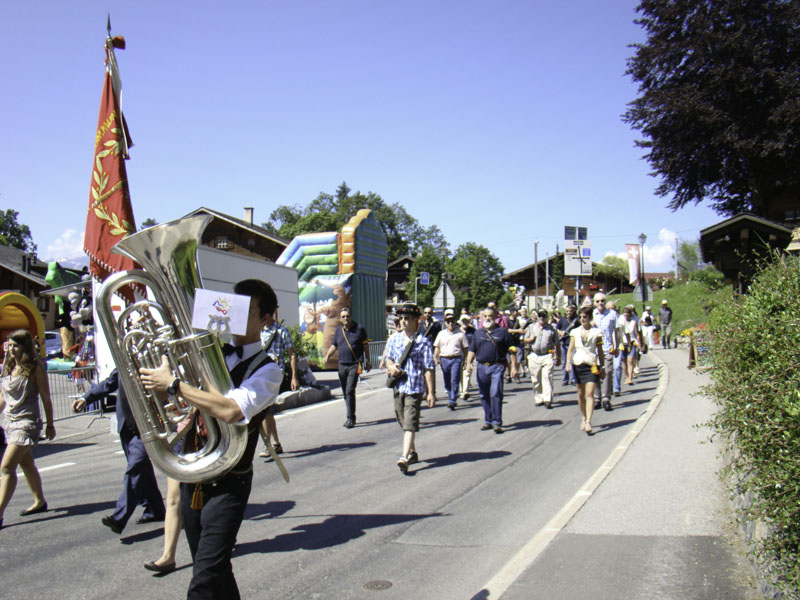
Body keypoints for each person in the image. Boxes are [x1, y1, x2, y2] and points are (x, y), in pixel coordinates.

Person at [139, 278, 283, 600]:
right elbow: (178, 402)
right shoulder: (207, 354)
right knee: (215, 571)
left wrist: (175, 385)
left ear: (266, 319)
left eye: (247, 309)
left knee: (204, 580)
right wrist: (158, 384)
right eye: (234, 305)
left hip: (229, 481)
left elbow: (232, 410)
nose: (235, 313)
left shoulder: (269, 370)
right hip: (195, 476)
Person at [73, 370, 166, 535]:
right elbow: (109, 383)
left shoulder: (153, 364)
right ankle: (155, 509)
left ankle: (119, 517)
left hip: (146, 426)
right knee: (142, 471)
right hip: (126, 427)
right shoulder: (123, 362)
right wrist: (85, 399)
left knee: (135, 468)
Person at [0, 330, 56, 531]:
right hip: (10, 423)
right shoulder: (8, 367)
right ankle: (39, 501)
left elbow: (46, 398)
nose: (11, 349)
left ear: (25, 347)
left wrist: (50, 424)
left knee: (6, 467)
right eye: (9, 345)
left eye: (15, 345)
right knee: (27, 464)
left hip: (27, 423)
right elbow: (3, 398)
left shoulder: (35, 369)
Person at [384, 303, 435, 474]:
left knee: (409, 423)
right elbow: (389, 358)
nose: (403, 321)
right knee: (402, 420)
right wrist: (391, 367)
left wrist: (430, 392)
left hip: (415, 388)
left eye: (407, 318)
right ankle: (412, 452)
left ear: (415, 320)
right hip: (399, 387)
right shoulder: (394, 339)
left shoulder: (423, 342)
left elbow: (428, 368)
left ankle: (404, 457)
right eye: (402, 318)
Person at [464, 307, 514, 433]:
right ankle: (488, 420)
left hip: (497, 366)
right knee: (483, 395)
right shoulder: (478, 333)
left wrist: (513, 367)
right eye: (485, 316)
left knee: (495, 393)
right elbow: (472, 349)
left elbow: (512, 349)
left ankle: (497, 422)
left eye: (490, 316)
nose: (487, 318)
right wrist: (468, 363)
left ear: (496, 317)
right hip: (481, 367)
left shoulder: (503, 332)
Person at [258, 314, 299, 456]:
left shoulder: (281, 331)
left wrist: (294, 377)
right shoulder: (258, 331)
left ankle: (267, 445)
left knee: (264, 409)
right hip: (260, 373)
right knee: (267, 409)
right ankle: (276, 444)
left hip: (274, 374)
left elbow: (292, 354)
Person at [323, 307, 371, 428]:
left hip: (354, 364)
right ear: (340, 319)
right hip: (342, 365)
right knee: (345, 392)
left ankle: (350, 418)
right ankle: (350, 415)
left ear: (351, 317)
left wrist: (368, 361)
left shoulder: (359, 329)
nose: (346, 318)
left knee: (350, 390)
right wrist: (327, 355)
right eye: (343, 317)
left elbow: (365, 346)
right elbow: (334, 345)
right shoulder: (339, 331)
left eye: (347, 316)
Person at [566, 306, 605, 435]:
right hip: (578, 364)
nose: (582, 319)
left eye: (585, 317)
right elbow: (571, 349)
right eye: (580, 317)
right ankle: (583, 417)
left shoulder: (597, 332)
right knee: (580, 393)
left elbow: (600, 351)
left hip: (592, 364)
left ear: (590, 318)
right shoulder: (574, 332)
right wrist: (568, 363)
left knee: (589, 393)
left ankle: (588, 421)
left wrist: (603, 366)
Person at [523, 310, 560, 409]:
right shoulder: (531, 327)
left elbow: (557, 344)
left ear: (547, 317)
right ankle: (539, 398)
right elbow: (525, 339)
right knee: (536, 379)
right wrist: (530, 339)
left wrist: (559, 358)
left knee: (547, 377)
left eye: (544, 316)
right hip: (534, 355)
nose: (542, 318)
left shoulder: (551, 329)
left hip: (546, 355)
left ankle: (547, 400)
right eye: (540, 316)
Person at [433, 309, 468, 410]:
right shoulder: (441, 334)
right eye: (448, 321)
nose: (450, 323)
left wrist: (466, 360)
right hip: (444, 359)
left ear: (455, 322)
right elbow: (437, 347)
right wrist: (435, 357)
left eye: (452, 321)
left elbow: (465, 348)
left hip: (456, 359)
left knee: (455, 379)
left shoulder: (460, 334)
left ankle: (453, 400)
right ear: (445, 323)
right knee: (447, 380)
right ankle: (450, 396)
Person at [591, 293, 617, 412]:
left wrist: (617, 345)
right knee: (595, 373)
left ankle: (606, 399)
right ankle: (597, 399)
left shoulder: (612, 314)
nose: (600, 303)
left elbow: (616, 331)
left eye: (602, 301)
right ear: (594, 303)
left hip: (607, 347)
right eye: (597, 301)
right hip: (594, 349)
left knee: (607, 372)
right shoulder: (592, 315)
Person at [618, 305, 642, 386]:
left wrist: (640, 344)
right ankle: (627, 376)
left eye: (627, 313)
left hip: (632, 343)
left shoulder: (633, 322)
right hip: (623, 343)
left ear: (630, 314)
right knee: (624, 362)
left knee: (630, 360)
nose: (626, 314)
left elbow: (637, 334)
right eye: (624, 313)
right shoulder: (621, 323)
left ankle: (630, 379)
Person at [556, 304, 579, 385]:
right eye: (567, 311)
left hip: (573, 343)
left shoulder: (576, 320)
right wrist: (560, 333)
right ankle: (565, 379)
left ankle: (572, 378)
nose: (569, 312)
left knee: (572, 361)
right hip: (564, 343)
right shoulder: (562, 319)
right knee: (564, 362)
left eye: (570, 311)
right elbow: (557, 328)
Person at [458, 314, 476, 400]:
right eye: (463, 321)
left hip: (469, 354)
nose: (465, 322)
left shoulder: (472, 331)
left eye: (466, 321)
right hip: (458, 354)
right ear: (460, 322)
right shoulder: (457, 330)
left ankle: (465, 391)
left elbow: (475, 343)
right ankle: (461, 390)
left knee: (467, 372)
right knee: (459, 373)